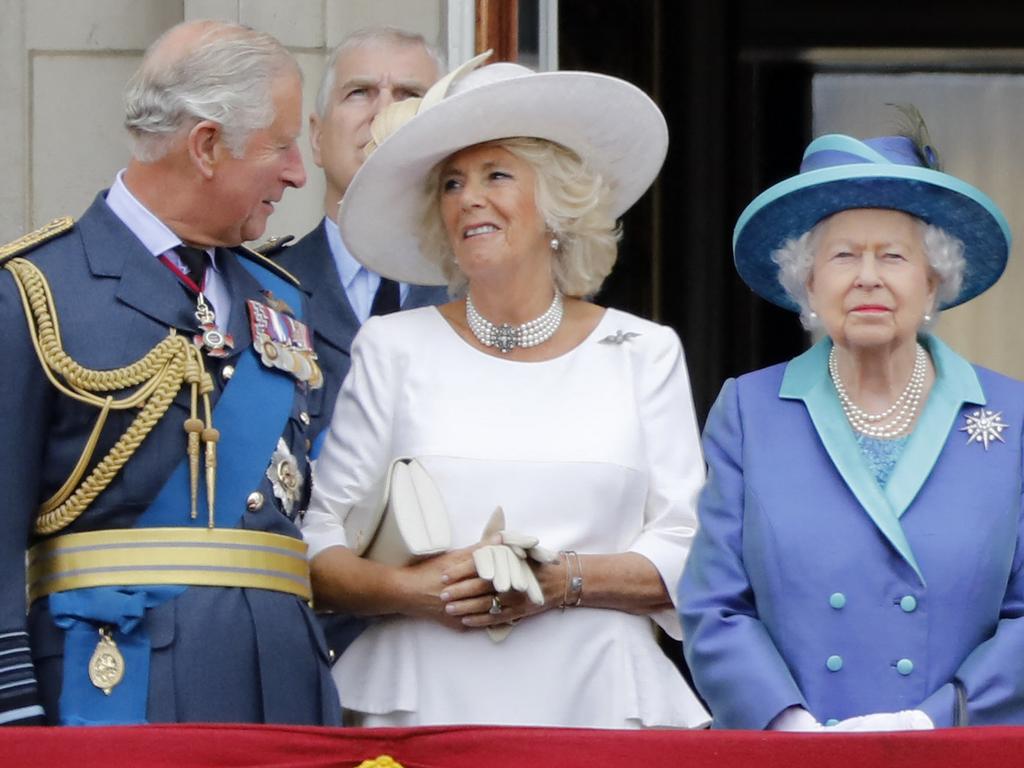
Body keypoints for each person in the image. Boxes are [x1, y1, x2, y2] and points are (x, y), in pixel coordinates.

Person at [299, 56, 711, 728]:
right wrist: (409, 589)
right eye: (452, 183)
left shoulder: (643, 353)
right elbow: (317, 539)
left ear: (556, 203)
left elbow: (688, 547)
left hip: (598, 700)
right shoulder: (392, 346)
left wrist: (561, 581)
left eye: (496, 175)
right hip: (422, 703)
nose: (469, 198)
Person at [0, 20, 340, 726]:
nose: (298, 174)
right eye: (281, 146)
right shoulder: (36, 290)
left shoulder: (281, 298)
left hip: (282, 688)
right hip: (117, 688)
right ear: (208, 145)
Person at [679, 129, 1024, 730]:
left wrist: (930, 723)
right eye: (842, 256)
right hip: (794, 753)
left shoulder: (1013, 416)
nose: (868, 277)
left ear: (933, 282)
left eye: (893, 255)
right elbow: (716, 607)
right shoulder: (750, 411)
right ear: (808, 285)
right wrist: (788, 726)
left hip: (956, 752)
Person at [273, 27, 449, 445]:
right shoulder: (260, 289)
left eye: (408, 95)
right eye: (360, 93)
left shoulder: (487, 290)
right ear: (316, 138)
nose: (383, 112)